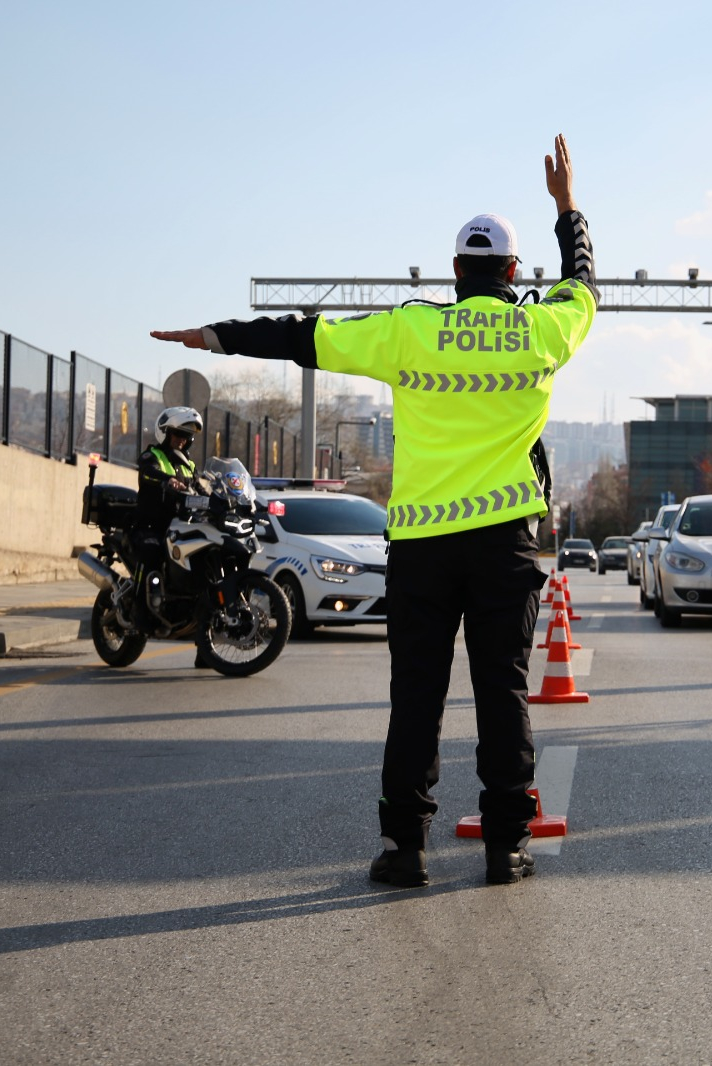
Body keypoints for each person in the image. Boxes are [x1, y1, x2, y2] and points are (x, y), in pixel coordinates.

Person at [151, 134, 596, 886]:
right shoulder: (543, 328)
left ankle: (404, 849)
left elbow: (304, 337)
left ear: (456, 272)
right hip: (504, 545)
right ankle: (507, 846)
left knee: (415, 696)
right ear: (515, 274)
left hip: (423, 546)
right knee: (504, 691)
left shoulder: (410, 327)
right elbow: (584, 283)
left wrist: (213, 337)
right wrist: (567, 206)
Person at [134, 406, 203, 629]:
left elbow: (202, 489)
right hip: (152, 525)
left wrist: (224, 500)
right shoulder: (151, 455)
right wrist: (167, 480)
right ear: (165, 432)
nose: (182, 440)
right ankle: (139, 611)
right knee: (150, 553)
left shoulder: (189, 465)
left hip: (181, 527)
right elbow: (147, 472)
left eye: (186, 436)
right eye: (178, 434)